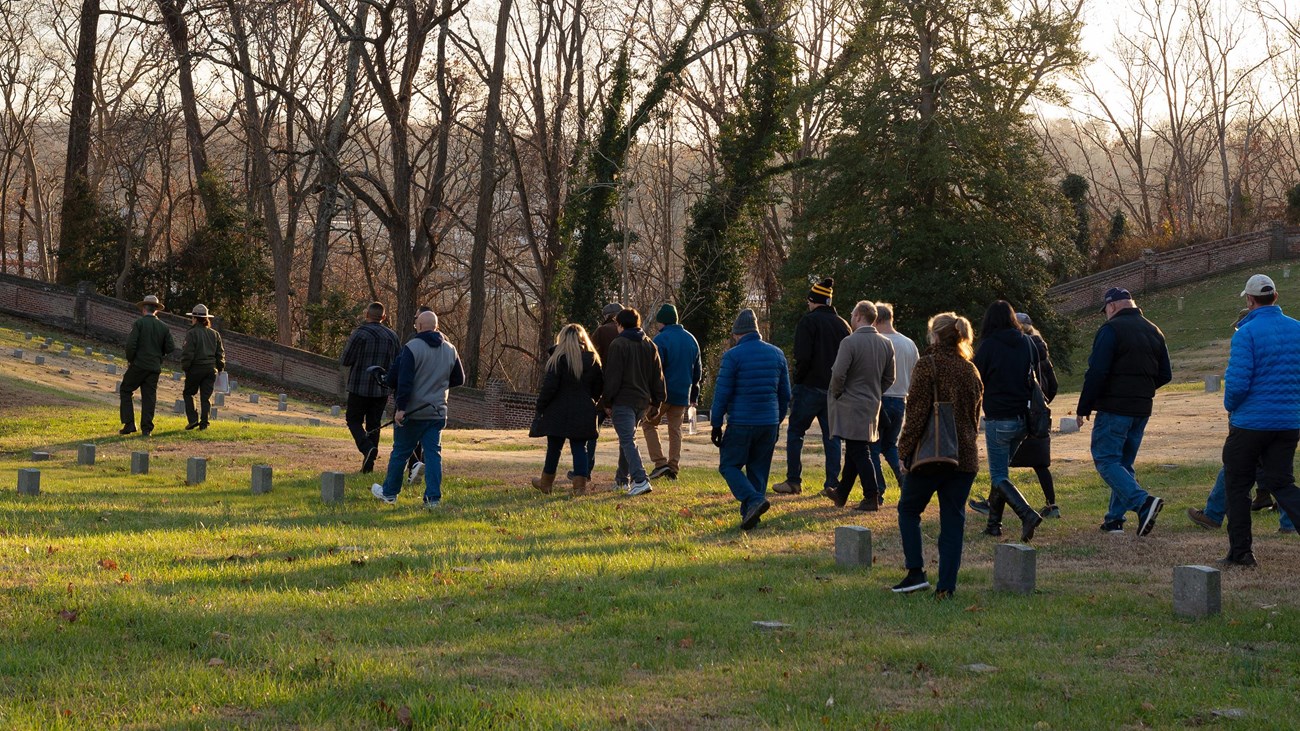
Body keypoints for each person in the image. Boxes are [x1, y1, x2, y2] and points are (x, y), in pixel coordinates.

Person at [893, 313, 983, 598]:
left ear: (934, 335)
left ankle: (916, 572)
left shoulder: (927, 365)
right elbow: (974, 417)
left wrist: (903, 451)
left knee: (908, 510)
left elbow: (917, 414)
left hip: (931, 454)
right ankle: (946, 586)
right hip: (965, 455)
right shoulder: (971, 371)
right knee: (953, 520)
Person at [1217, 274, 1300, 567]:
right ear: (1275, 297)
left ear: (1250, 300)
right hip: (1288, 422)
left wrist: (1230, 406)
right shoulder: (1297, 329)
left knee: (1237, 486)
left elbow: (1238, 383)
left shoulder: (1246, 334)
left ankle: (1241, 552)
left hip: (1251, 424)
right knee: (1282, 482)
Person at [1076, 287, 1172, 536]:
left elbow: (1097, 371)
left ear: (1112, 306)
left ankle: (1143, 503)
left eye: (1105, 310)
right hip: (1142, 407)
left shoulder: (1111, 330)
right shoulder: (1154, 330)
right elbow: (1165, 374)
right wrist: (1141, 389)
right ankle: (1114, 520)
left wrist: (1084, 406)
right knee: (1124, 462)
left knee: (1106, 460)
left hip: (1114, 407)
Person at [370, 310, 464, 507]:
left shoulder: (412, 348)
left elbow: (403, 381)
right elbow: (459, 379)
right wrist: (439, 386)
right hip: (437, 411)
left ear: (419, 326)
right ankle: (433, 498)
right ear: (437, 327)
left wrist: (401, 408)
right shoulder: (450, 349)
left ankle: (390, 493)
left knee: (400, 453)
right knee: (433, 456)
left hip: (412, 411)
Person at [970, 312, 1060, 517]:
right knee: (1039, 463)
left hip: (1007, 413)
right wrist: (1038, 404)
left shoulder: (1005, 346)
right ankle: (1050, 504)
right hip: (1032, 415)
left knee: (1000, 471)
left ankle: (1023, 513)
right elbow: (1053, 385)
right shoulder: (1037, 349)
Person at [710, 308, 791, 530]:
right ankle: (750, 516)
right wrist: (777, 418)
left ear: (738, 334)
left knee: (729, 465)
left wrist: (716, 423)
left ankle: (753, 501)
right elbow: (785, 394)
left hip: (741, 422)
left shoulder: (732, 356)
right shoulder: (777, 354)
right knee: (758, 468)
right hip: (768, 421)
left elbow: (722, 393)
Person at [972, 301, 1044, 542]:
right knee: (1000, 475)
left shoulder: (988, 346)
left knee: (999, 476)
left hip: (998, 417)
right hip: (1023, 418)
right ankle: (994, 525)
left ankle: (1027, 514)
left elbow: (976, 378)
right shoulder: (1027, 342)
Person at [773, 278, 851, 496]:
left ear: (814, 301)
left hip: (809, 386)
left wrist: (798, 379)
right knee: (832, 437)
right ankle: (832, 482)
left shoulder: (808, 322)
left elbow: (802, 356)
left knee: (796, 432)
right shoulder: (844, 325)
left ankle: (793, 480)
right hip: (834, 389)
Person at [825, 301, 895, 511]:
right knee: (855, 450)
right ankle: (841, 494)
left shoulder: (849, 342)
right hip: (872, 403)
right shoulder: (886, 343)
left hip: (850, 403)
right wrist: (875, 391)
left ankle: (871, 495)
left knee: (859, 450)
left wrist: (838, 393)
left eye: (853, 314)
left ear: (858, 316)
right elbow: (890, 377)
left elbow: (838, 374)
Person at [597, 308, 666, 497]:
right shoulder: (650, 344)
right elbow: (657, 376)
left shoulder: (618, 344)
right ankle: (621, 480)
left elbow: (613, 376)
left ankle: (640, 479)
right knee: (627, 440)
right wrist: (657, 401)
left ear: (620, 325)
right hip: (642, 401)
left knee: (627, 440)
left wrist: (607, 401)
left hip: (623, 400)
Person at [531, 324, 604, 495]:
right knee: (580, 447)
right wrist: (590, 400)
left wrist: (540, 407)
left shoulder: (557, 359)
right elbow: (599, 387)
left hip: (558, 410)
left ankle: (546, 483)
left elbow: (549, 388)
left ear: (562, 339)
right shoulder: (593, 360)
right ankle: (580, 486)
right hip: (584, 410)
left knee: (554, 448)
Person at [643, 303, 702, 481]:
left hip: (663, 394)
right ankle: (673, 466)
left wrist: (651, 393)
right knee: (675, 430)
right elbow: (697, 370)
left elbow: (655, 370)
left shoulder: (660, 340)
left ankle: (660, 463)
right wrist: (694, 394)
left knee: (649, 424)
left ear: (663, 322)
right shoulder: (691, 339)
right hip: (683, 393)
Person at [341, 302, 400, 473]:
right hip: (381, 388)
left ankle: (367, 448)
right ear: (384, 317)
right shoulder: (392, 336)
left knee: (353, 420)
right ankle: (369, 465)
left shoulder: (360, 333)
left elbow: (346, 359)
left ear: (367, 314)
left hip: (359, 386)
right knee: (374, 424)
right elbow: (398, 362)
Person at [870, 302, 919, 503]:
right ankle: (903, 478)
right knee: (890, 444)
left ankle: (877, 488)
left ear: (877, 320)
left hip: (881, 398)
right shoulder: (909, 344)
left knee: (872, 445)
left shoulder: (878, 342)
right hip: (901, 400)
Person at [120, 294, 177, 436]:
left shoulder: (139, 324)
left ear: (144, 309)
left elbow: (130, 345)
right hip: (154, 366)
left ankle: (129, 423)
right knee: (149, 397)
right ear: (156, 310)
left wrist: (131, 359)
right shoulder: (164, 327)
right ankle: (147, 429)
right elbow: (170, 347)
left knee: (126, 390)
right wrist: (159, 353)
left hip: (139, 364)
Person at [1188, 465, 1296, 534]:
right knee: (1279, 468)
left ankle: (1212, 515)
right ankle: (1290, 523)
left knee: (1235, 464)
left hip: (1255, 430)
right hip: (1287, 430)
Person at [180, 304, 225, 431]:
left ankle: (193, 419)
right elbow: (220, 353)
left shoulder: (192, 333)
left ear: (194, 318)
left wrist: (186, 367)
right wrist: (220, 368)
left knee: (189, 393)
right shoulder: (215, 334)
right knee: (206, 397)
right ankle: (204, 422)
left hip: (195, 368)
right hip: (211, 369)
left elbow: (188, 353)